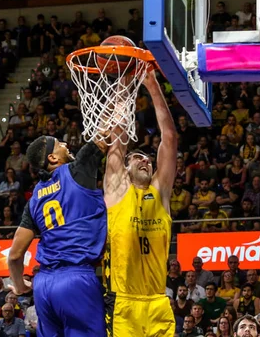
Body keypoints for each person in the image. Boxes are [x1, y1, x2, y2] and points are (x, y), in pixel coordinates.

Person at [7, 133, 108, 336]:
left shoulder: (35, 198)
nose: (65, 144)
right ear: (52, 158)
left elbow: (15, 255)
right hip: (76, 279)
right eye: (59, 144)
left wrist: (20, 286)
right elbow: (107, 134)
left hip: (44, 286)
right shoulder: (77, 170)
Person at [103, 71, 177, 336]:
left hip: (158, 301)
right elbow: (118, 136)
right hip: (124, 300)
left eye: (147, 158)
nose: (145, 160)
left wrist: (153, 85)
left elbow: (169, 138)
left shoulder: (160, 192)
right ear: (125, 168)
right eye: (137, 158)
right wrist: (124, 83)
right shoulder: (117, 190)